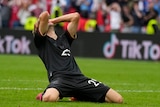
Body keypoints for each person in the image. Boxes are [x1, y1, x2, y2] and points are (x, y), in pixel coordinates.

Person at [33, 11, 123, 103]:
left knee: (118, 100)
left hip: (79, 78)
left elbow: (75, 16)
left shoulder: (65, 39)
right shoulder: (41, 42)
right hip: (60, 80)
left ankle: (80, 95)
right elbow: (45, 15)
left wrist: (53, 20)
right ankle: (44, 94)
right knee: (49, 98)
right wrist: (43, 22)